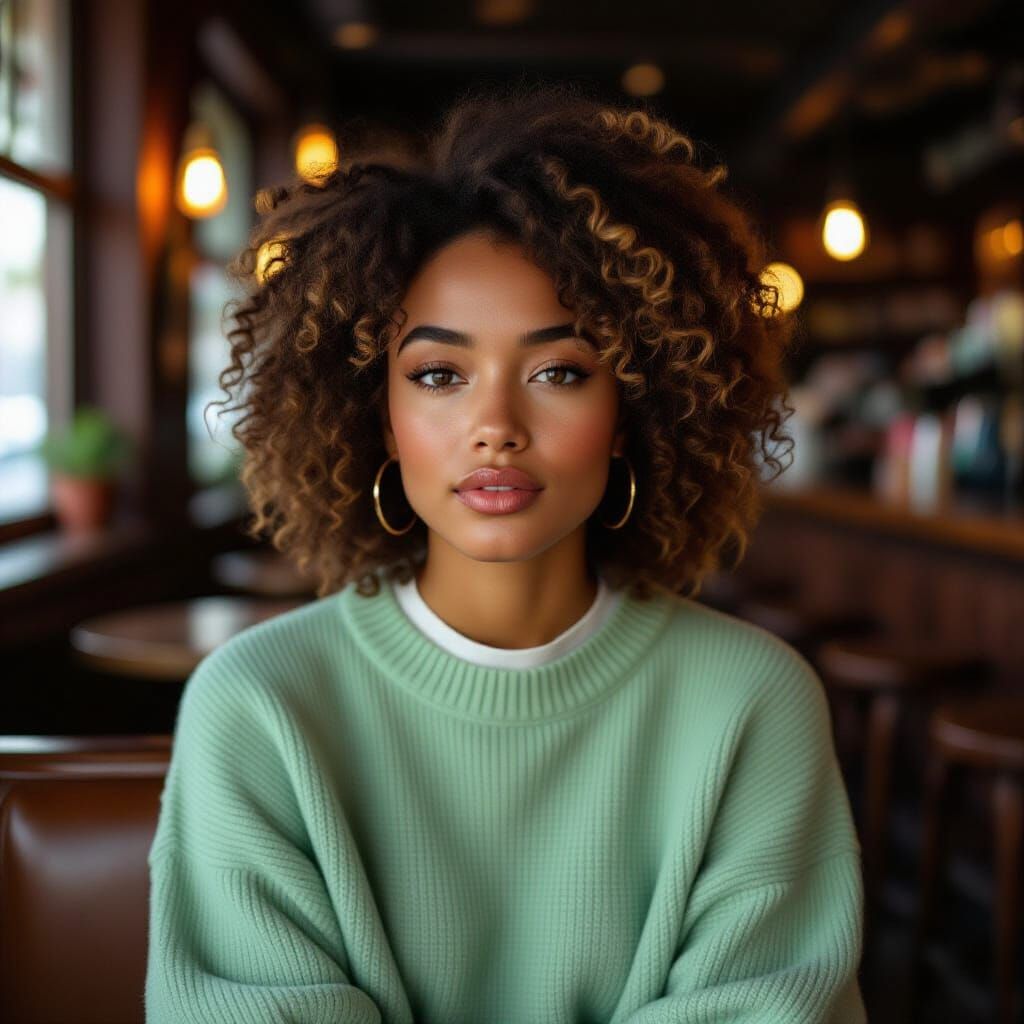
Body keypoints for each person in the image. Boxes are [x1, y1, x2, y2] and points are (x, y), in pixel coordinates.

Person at [145, 79, 867, 1023]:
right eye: (439, 374)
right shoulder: (257, 705)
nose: (495, 426)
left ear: (629, 414)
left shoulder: (752, 702)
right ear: (381, 418)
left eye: (559, 371)